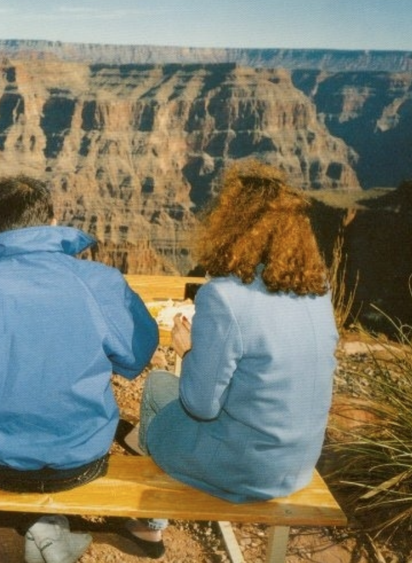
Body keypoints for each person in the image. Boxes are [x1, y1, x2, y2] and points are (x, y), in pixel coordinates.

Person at [0, 174, 159, 563]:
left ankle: (41, 525)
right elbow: (137, 353)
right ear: (51, 218)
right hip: (82, 461)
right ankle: (49, 527)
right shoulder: (99, 282)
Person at [124, 159, 338, 545]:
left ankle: (149, 525)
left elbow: (201, 405)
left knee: (158, 386)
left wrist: (188, 351)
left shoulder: (223, 296)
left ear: (232, 225)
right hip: (299, 462)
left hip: (247, 469)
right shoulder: (318, 290)